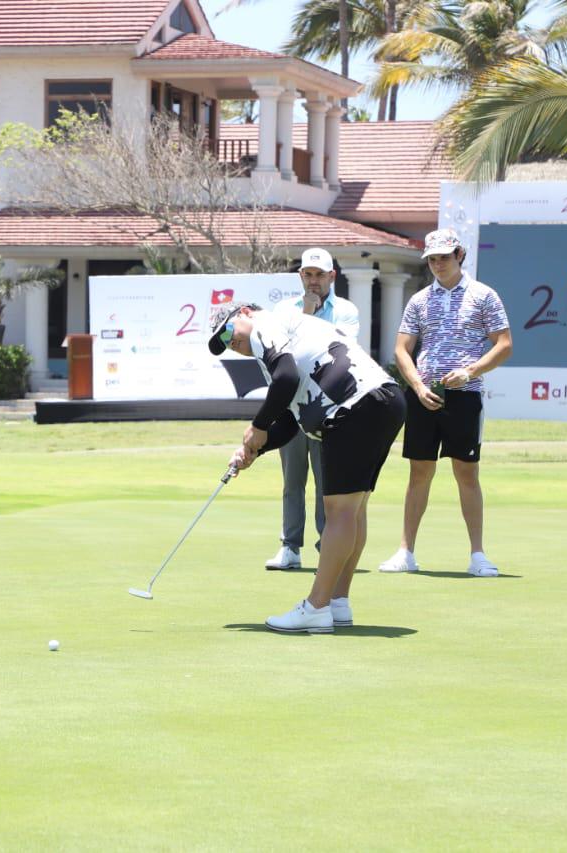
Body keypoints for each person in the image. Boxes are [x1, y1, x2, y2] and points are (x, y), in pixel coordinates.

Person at [207, 301, 406, 634]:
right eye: (224, 343)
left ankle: (316, 607)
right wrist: (256, 449)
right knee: (353, 511)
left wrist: (257, 425)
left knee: (339, 511)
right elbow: (290, 419)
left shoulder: (263, 325)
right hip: (384, 402)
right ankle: (337, 602)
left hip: (355, 406)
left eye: (228, 331)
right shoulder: (288, 334)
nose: (232, 344)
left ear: (244, 313)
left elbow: (285, 380)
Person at [378, 228, 513, 578]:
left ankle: (478, 554)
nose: (438, 264)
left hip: (465, 396)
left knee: (466, 472)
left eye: (444, 257)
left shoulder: (484, 296)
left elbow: (503, 345)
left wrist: (469, 372)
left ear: (460, 255)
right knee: (418, 472)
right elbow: (401, 350)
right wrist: (418, 386)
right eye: (432, 258)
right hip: (424, 395)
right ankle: (406, 552)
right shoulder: (419, 300)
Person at [264, 248, 361, 571]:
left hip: (329, 408)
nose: (313, 280)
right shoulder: (283, 309)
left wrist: (307, 319)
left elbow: (341, 354)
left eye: (320, 274)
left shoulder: (345, 311)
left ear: (332, 276)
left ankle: (326, 546)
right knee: (293, 481)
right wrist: (306, 312)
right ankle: (290, 547)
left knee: (326, 483)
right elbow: (283, 356)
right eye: (308, 274)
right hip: (291, 406)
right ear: (300, 276)